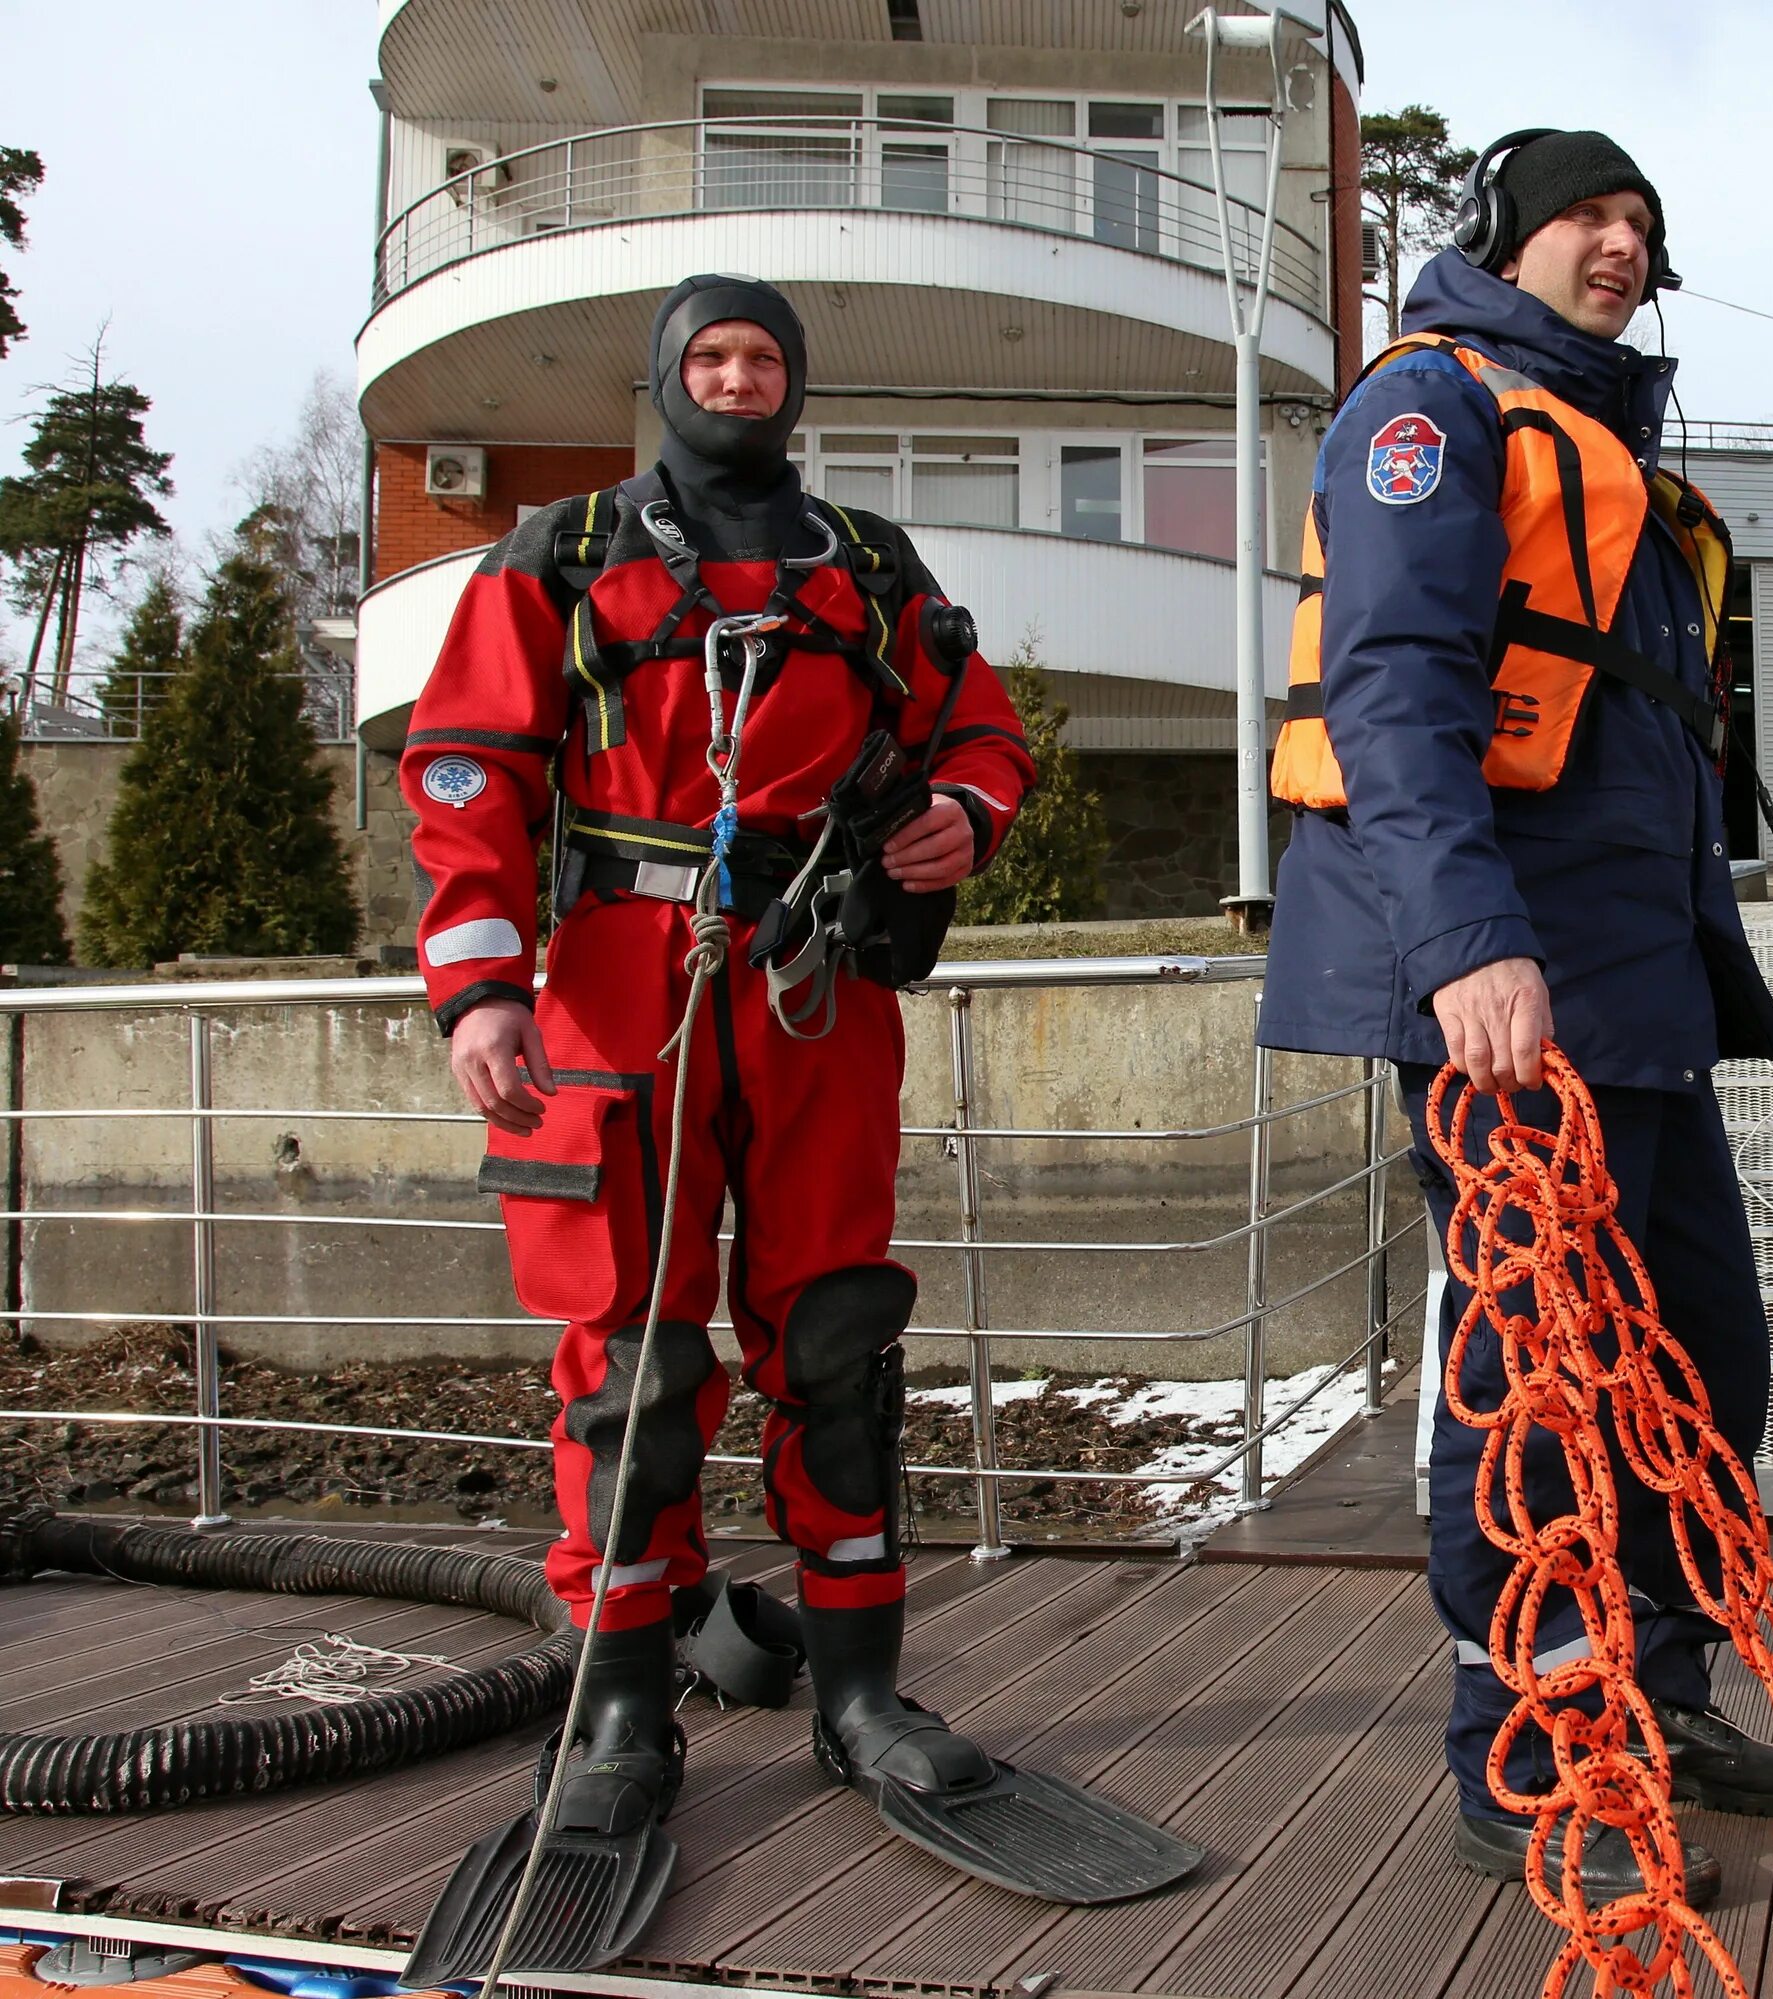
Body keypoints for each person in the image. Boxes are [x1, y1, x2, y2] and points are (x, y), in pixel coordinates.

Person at [401, 275, 1190, 1976]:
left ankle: (856, 1688)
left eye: (764, 357)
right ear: (670, 379)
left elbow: (977, 727)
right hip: (617, 977)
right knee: (627, 1352)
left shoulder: (869, 563)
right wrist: (479, 987)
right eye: (713, 356)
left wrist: (967, 813)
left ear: (796, 384)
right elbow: (468, 763)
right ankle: (622, 1710)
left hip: (817, 976)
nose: (740, 378)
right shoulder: (558, 551)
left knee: (837, 1334)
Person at [1257, 129, 1773, 1907]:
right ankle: (1533, 1743)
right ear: (1506, 237)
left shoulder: (1621, 461)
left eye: (1645, 226)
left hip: (1639, 980)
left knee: (1701, 1364)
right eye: (1591, 215)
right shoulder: (1430, 414)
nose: (1623, 247)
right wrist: (1466, 944)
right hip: (1514, 983)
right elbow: (1394, 693)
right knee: (1539, 1374)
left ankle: (1651, 1696)